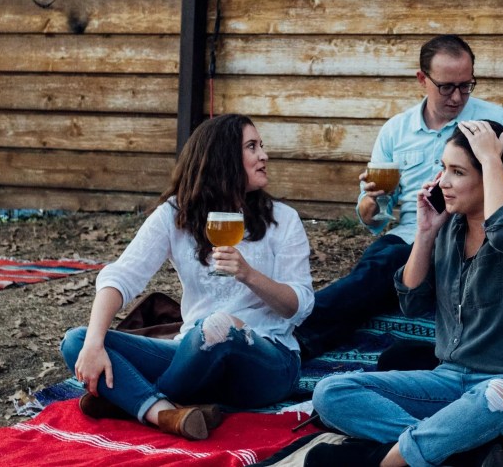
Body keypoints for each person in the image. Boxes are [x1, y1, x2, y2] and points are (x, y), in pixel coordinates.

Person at [293, 34, 503, 360]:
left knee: (383, 269)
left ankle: (297, 335)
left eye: (466, 85)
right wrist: (371, 201)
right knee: (382, 261)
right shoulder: (395, 131)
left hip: (470, 243)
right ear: (422, 79)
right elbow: (375, 219)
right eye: (447, 87)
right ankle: (303, 336)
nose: (457, 96)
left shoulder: (495, 124)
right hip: (412, 239)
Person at [305, 120, 503, 467]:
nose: (443, 182)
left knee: (497, 396)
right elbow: (411, 301)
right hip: (450, 380)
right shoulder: (449, 229)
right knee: (331, 392)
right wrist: (425, 233)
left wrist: (491, 159)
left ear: (492, 175)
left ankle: (385, 460)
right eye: (444, 168)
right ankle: (460, 451)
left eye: (458, 172)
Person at [60, 114, 314, 440]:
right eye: (252, 147)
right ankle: (165, 414)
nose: (264, 155)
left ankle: (131, 404)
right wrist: (95, 343)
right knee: (77, 341)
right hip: (193, 354)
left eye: (261, 146)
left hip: (268, 362)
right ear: (223, 157)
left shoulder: (284, 220)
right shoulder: (175, 214)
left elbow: (299, 306)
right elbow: (122, 276)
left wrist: (249, 275)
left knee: (217, 326)